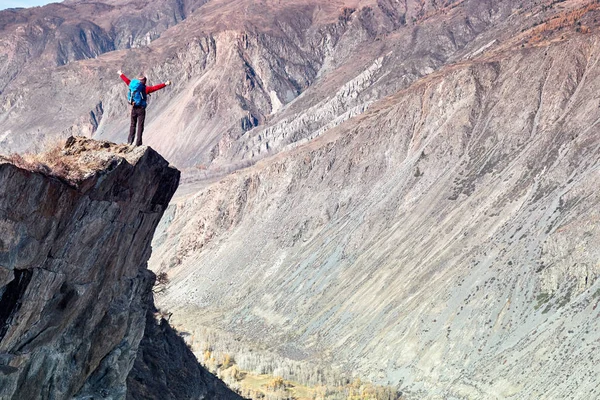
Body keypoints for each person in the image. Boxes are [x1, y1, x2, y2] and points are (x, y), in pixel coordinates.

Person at [118, 70, 172, 146]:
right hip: (141, 109)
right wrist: (165, 84)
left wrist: (120, 74)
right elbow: (155, 88)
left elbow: (126, 80)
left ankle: (129, 141)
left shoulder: (133, 85)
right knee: (140, 126)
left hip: (133, 107)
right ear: (145, 81)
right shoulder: (145, 89)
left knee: (132, 125)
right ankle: (138, 143)